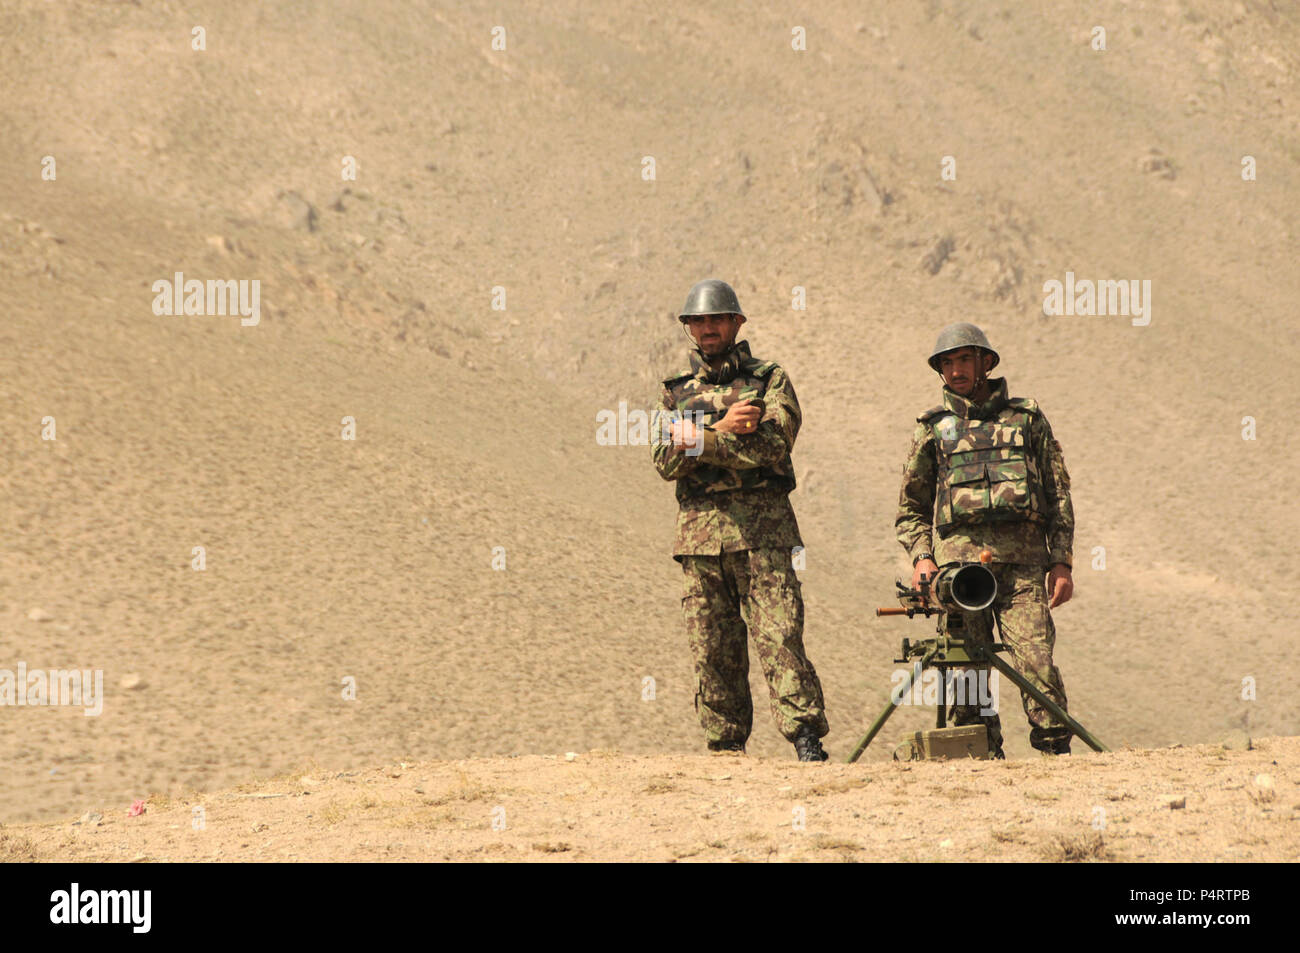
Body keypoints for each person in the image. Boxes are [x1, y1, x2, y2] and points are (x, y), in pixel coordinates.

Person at [652, 279, 829, 761]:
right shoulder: (674, 392)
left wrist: (699, 440)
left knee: (780, 639)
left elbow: (771, 446)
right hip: (699, 542)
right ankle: (726, 748)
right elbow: (664, 462)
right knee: (712, 652)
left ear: (736, 323)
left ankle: (806, 741)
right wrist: (724, 430)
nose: (708, 329)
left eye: (717, 320)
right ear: (689, 328)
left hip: (763, 537)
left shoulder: (770, 379)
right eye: (699, 322)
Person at [895, 322, 1075, 756]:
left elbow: (1057, 493)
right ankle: (979, 761)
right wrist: (922, 559)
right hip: (959, 573)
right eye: (947, 363)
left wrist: (1062, 561)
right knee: (966, 671)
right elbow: (910, 508)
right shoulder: (932, 429)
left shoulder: (1026, 419)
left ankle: (1056, 753)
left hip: (1024, 566)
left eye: (963, 360)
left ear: (985, 363)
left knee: (1036, 663)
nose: (955, 370)